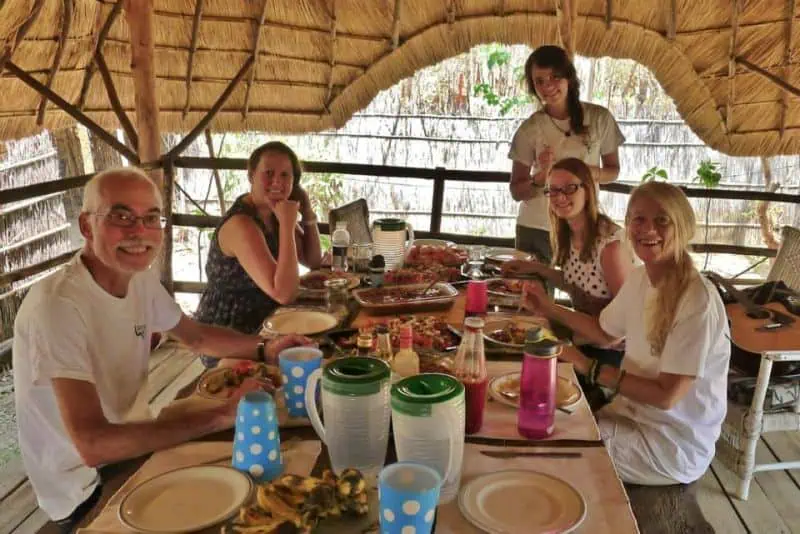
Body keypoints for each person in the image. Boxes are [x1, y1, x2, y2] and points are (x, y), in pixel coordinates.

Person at [12, 168, 312, 530]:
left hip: (137, 441)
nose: (139, 232)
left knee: (277, 475)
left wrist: (267, 349)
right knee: (258, 493)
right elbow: (94, 445)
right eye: (122, 216)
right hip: (86, 486)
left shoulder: (138, 278)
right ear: (87, 226)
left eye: (151, 218)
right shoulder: (57, 306)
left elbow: (196, 336)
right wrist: (221, 413)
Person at [521, 181, 731, 485]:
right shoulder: (641, 279)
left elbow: (666, 396)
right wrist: (548, 308)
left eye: (662, 220)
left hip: (670, 444)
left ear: (683, 227)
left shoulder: (696, 299)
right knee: (536, 423)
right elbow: (604, 332)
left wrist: (588, 366)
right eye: (639, 219)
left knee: (550, 454)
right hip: (628, 414)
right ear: (628, 225)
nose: (648, 229)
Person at [504, 158, 634, 396]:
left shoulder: (610, 247)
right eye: (553, 190)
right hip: (583, 342)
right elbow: (577, 283)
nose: (560, 197)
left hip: (614, 360)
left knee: (530, 382)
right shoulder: (570, 234)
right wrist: (535, 269)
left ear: (589, 189)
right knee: (512, 353)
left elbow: (616, 335)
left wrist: (550, 309)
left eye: (570, 188)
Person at [194, 142, 322, 367]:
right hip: (234, 335)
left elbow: (312, 260)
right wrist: (287, 223)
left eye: (285, 175)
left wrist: (307, 211)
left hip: (269, 320)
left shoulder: (273, 212)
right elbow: (285, 294)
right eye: (269, 173)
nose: (277, 182)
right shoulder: (242, 224)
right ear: (251, 175)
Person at [509, 45, 625, 264]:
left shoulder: (600, 118)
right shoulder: (529, 129)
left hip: (583, 225)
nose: (548, 86)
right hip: (537, 227)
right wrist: (540, 178)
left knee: (586, 296)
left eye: (555, 77)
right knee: (534, 296)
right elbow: (516, 191)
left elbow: (613, 171)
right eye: (539, 81)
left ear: (569, 77)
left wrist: (585, 174)